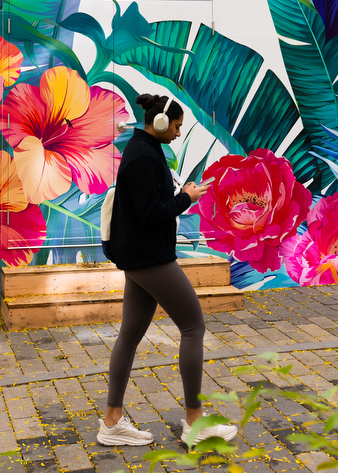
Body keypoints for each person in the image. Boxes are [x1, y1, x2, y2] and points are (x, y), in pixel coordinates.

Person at [97, 94, 237, 449]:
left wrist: (182, 193)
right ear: (159, 123)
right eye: (175, 126)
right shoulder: (144, 156)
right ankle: (194, 422)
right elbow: (150, 213)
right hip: (150, 258)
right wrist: (186, 198)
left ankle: (111, 422)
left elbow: (148, 204)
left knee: (129, 336)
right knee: (193, 326)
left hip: (139, 256)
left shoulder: (144, 150)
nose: (177, 133)